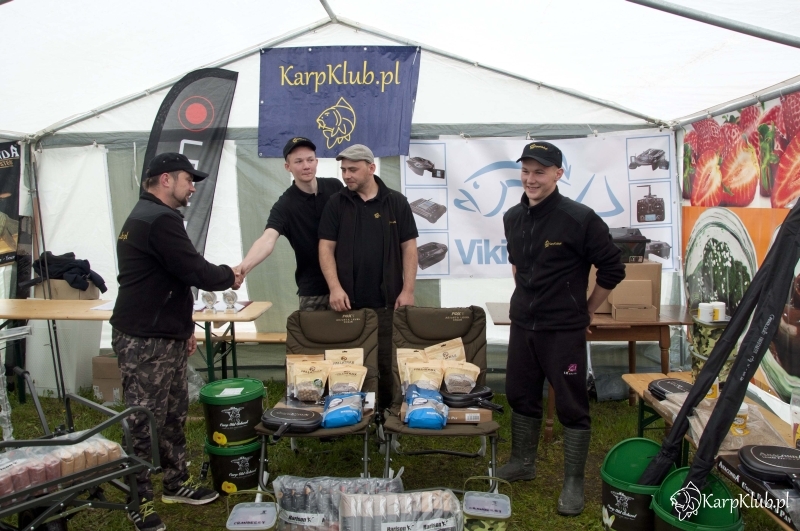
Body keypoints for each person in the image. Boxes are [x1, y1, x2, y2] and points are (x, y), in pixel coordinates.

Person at [110, 152, 242, 531]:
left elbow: (169, 280)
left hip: (162, 334)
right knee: (142, 420)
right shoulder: (159, 219)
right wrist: (228, 275)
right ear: (166, 179)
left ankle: (175, 482)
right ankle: (138, 501)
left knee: (172, 414)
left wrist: (184, 328)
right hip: (145, 340)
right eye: (188, 179)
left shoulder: (149, 215)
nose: (193, 187)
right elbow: (192, 269)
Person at [498, 141, 625, 516]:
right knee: (519, 394)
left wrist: (586, 310)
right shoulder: (512, 217)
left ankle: (573, 482)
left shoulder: (579, 219)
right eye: (526, 171)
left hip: (563, 330)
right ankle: (522, 462)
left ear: (558, 173)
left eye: (540, 172)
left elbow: (613, 269)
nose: (531, 179)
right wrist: (526, 298)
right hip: (523, 325)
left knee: (572, 404)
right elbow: (517, 263)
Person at [318, 144, 418, 409]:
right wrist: (334, 288)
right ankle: (348, 413)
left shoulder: (396, 202)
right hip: (347, 304)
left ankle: (385, 417)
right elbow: (325, 248)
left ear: (371, 168)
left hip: (387, 304)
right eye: (343, 170)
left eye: (353, 169)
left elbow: (409, 247)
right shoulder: (336, 203)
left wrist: (408, 290)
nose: (346, 175)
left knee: (386, 363)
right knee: (348, 364)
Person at [235, 137, 344, 311]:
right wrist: (243, 268)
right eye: (298, 161)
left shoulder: (335, 187)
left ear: (316, 162)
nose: (306, 166)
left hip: (347, 284)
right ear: (288, 167)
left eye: (310, 160)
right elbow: (267, 240)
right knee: (311, 329)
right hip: (313, 290)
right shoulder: (285, 205)